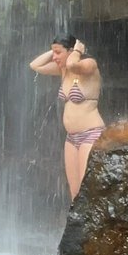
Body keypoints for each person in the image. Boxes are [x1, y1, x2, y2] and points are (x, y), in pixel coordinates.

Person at [29, 34, 104, 200]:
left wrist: (77, 50)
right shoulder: (63, 69)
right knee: (75, 191)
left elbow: (72, 64)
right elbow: (35, 65)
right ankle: (78, 226)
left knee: (88, 187)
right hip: (71, 138)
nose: (54, 57)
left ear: (71, 51)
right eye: (53, 53)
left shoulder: (89, 64)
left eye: (58, 53)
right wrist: (54, 51)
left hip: (90, 134)